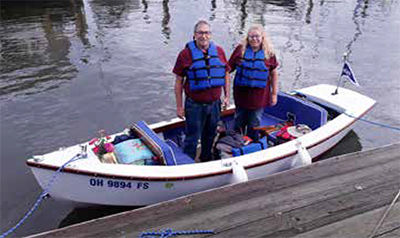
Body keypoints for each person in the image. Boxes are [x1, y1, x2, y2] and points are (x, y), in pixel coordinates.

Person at [172, 20, 230, 162]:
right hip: (195, 106)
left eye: (206, 33)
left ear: (210, 35)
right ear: (194, 35)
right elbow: (179, 82)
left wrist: (227, 96)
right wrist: (179, 106)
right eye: (200, 33)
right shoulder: (185, 55)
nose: (203, 36)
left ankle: (205, 159)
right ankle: (187, 165)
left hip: (215, 104)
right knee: (192, 138)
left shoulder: (219, 51)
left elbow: (226, 74)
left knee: (210, 135)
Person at [228, 24, 279, 141]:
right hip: (241, 96)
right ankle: (236, 142)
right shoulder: (240, 50)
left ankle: (252, 143)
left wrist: (274, 94)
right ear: (247, 38)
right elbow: (228, 68)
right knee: (239, 119)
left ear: (262, 38)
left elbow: (274, 74)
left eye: (257, 36)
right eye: (251, 37)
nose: (254, 39)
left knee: (254, 122)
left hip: (259, 98)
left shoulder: (269, 54)